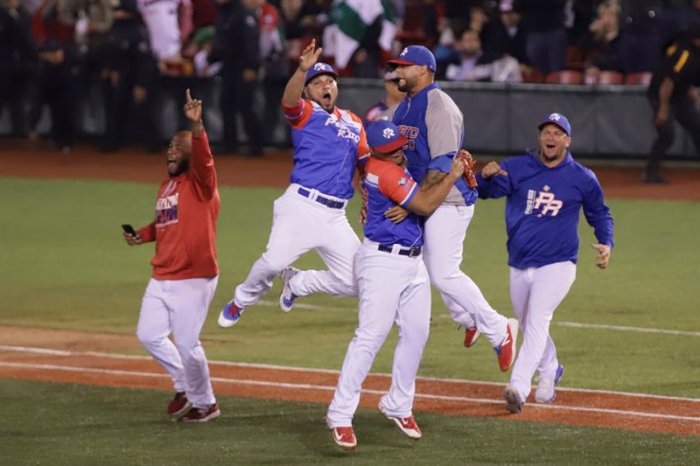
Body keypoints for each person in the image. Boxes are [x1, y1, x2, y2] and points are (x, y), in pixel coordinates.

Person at [326, 120, 466, 450]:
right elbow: (426, 205)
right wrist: (453, 175)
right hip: (382, 262)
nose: (400, 152)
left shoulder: (376, 163)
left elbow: (414, 199)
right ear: (379, 153)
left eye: (400, 145)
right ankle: (340, 414)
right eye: (392, 151)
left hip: (411, 261)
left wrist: (408, 204)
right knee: (370, 337)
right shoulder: (385, 172)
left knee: (417, 332)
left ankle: (398, 404)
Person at [217, 39, 369, 328]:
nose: (326, 86)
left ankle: (300, 282)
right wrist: (301, 71)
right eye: (317, 83)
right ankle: (242, 299)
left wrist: (371, 200)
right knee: (273, 264)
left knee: (362, 282)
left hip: (335, 215)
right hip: (301, 206)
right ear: (309, 91)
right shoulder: (305, 114)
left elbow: (365, 164)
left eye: (330, 81)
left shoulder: (354, 122)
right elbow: (288, 101)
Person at [388, 45, 518, 371]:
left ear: (425, 70)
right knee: (432, 270)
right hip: (426, 199)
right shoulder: (402, 109)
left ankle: (499, 328)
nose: (398, 72)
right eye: (397, 66)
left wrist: (413, 202)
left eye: (405, 66)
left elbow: (442, 166)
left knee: (444, 273)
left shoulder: (439, 106)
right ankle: (467, 317)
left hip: (450, 199)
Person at [475, 112, 614, 414]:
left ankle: (519, 387)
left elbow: (600, 213)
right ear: (540, 138)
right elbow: (485, 193)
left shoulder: (582, 177)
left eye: (557, 133)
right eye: (546, 132)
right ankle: (550, 367)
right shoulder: (516, 168)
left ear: (567, 140)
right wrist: (483, 177)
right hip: (519, 261)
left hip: (559, 263)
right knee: (526, 322)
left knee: (537, 319)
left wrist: (606, 242)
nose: (550, 138)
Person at [123, 89, 221, 423]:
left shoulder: (202, 184)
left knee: (188, 344)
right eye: (169, 146)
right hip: (161, 275)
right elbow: (163, 224)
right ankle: (184, 385)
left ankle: (206, 403)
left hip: (193, 276)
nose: (171, 151)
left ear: (191, 154)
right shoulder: (167, 186)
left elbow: (206, 160)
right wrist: (142, 234)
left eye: (179, 147)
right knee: (149, 335)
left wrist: (197, 127)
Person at [644, 23, 700, 184]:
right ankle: (650, 172)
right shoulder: (685, 54)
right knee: (666, 134)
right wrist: (663, 109)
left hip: (680, 94)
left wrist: (692, 93)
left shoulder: (694, 52)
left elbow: (684, 78)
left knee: (697, 128)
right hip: (661, 94)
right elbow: (668, 82)